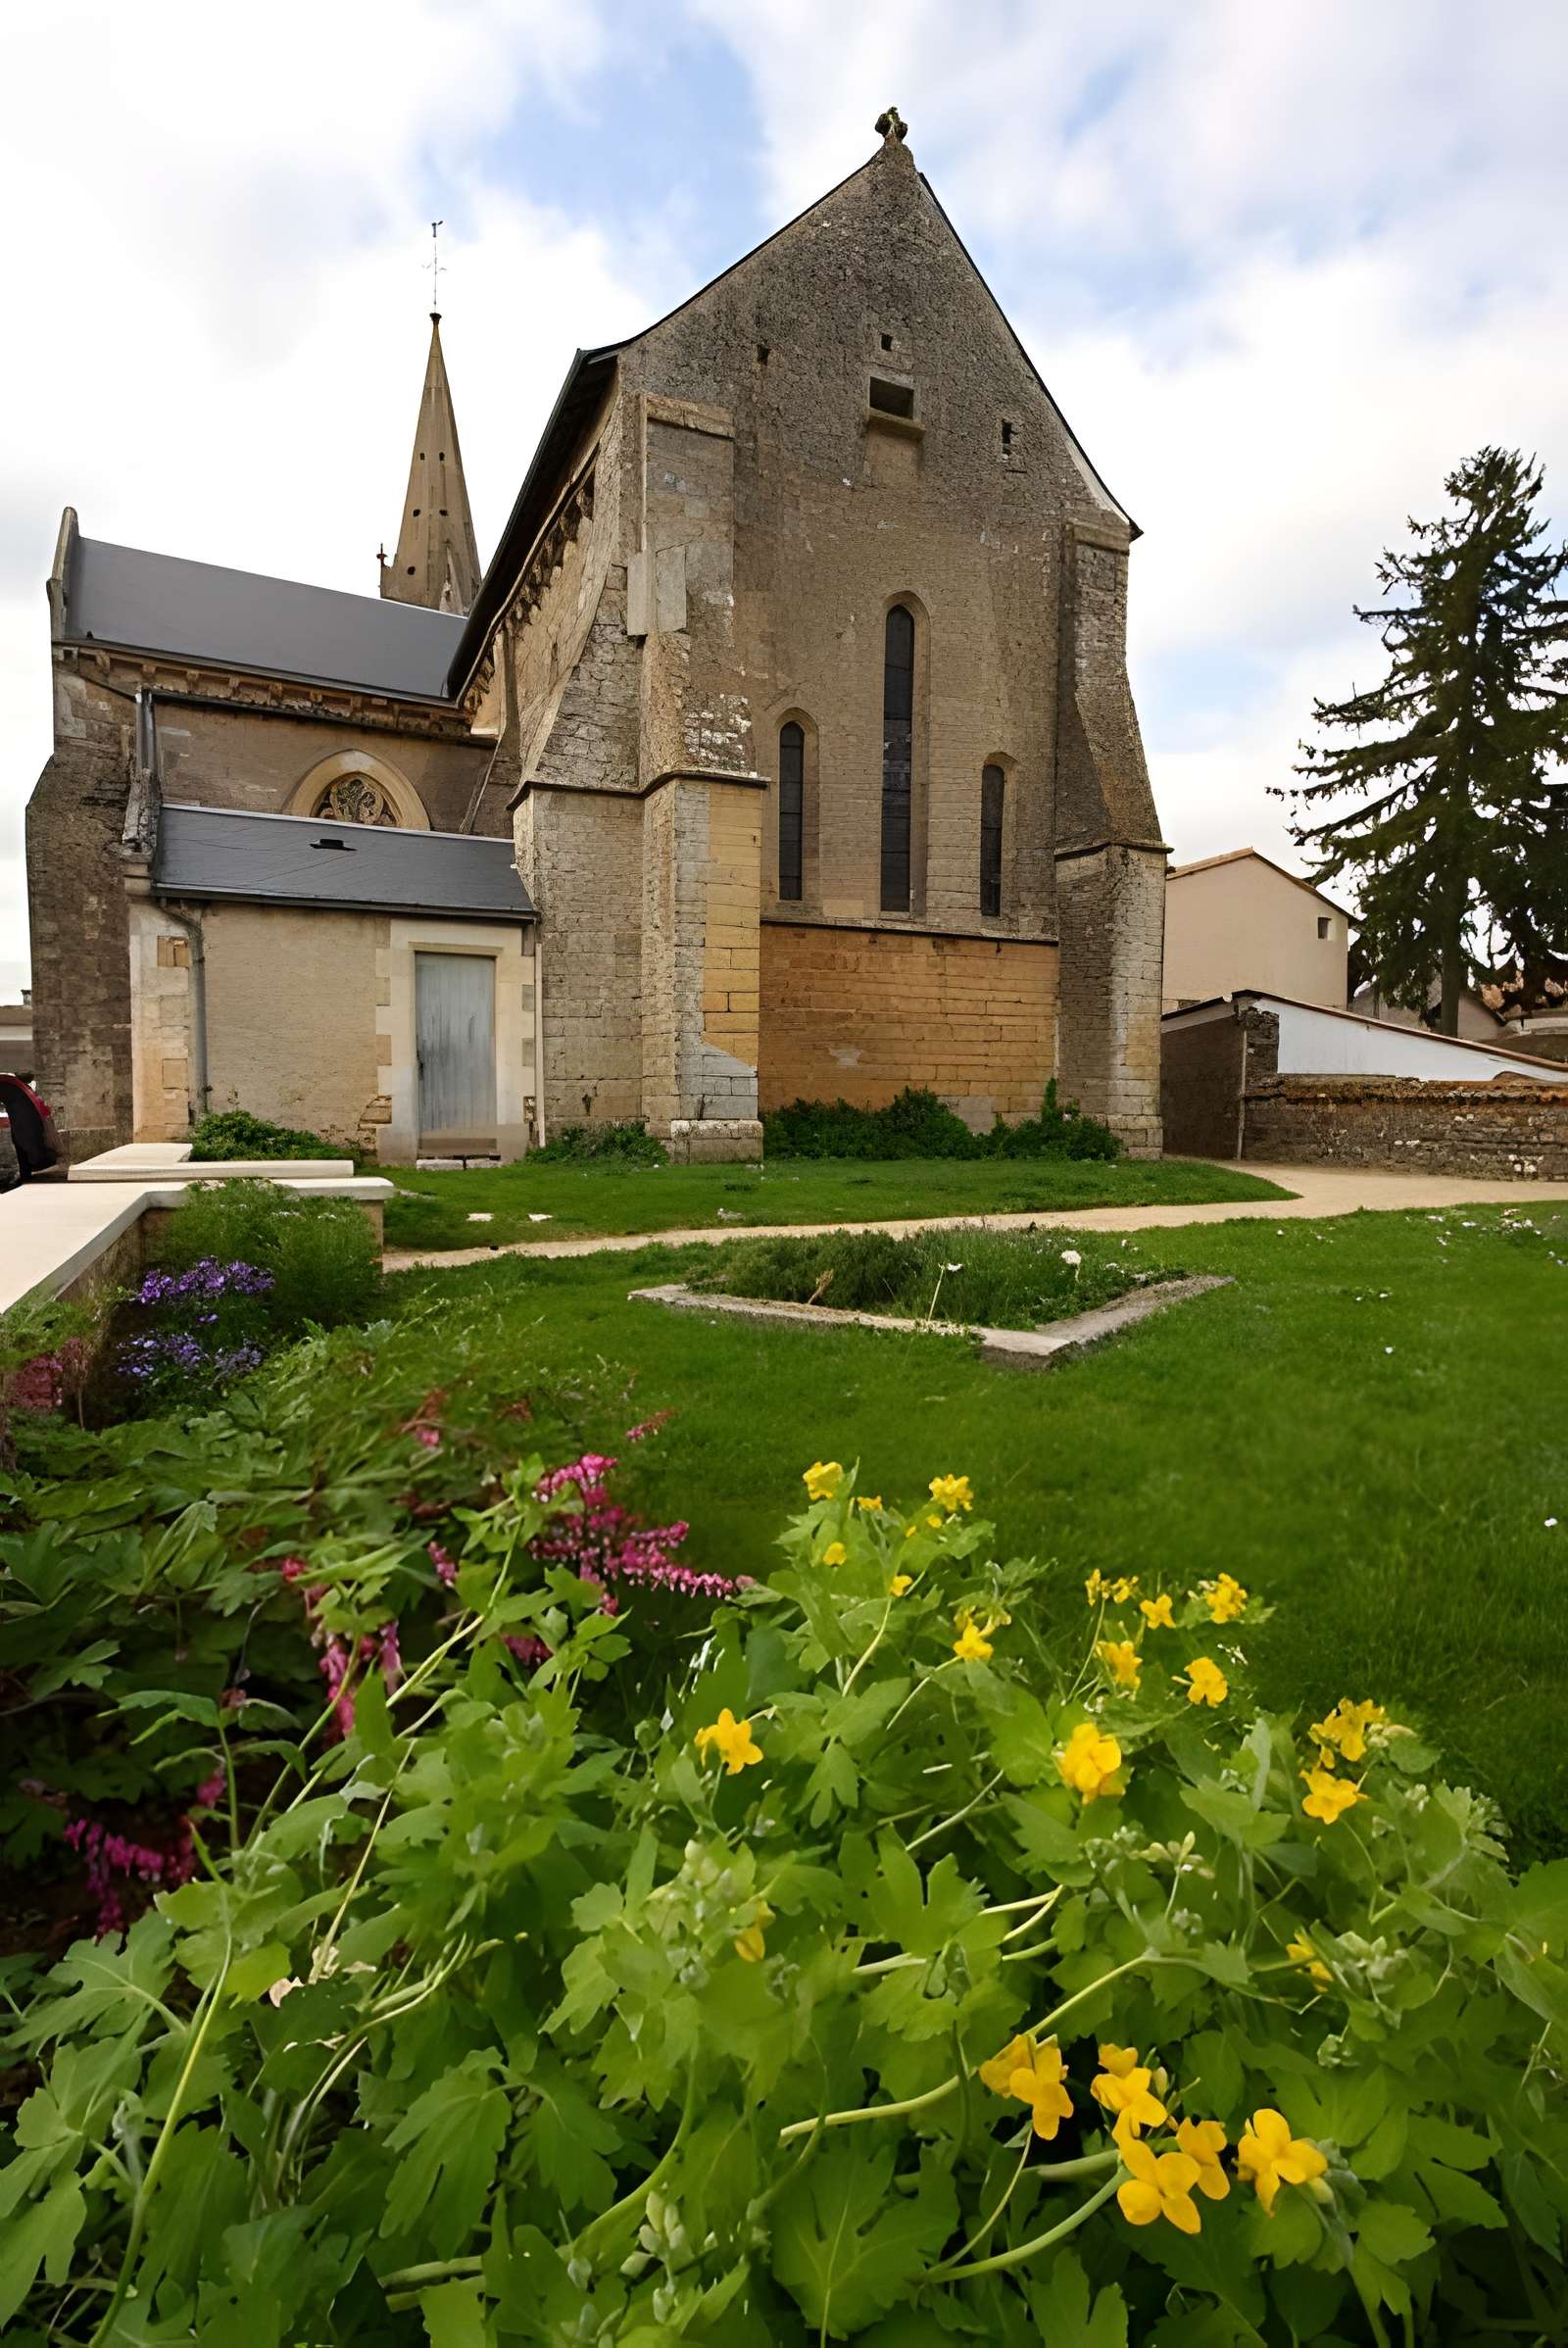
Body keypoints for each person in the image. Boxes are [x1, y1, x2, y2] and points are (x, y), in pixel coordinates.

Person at [0, 1075, 61, 1181]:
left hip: (23, 1112)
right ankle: (25, 1174)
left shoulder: (9, 1084)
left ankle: (27, 1173)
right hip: (21, 1110)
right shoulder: (11, 1082)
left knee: (24, 1141)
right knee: (20, 1140)